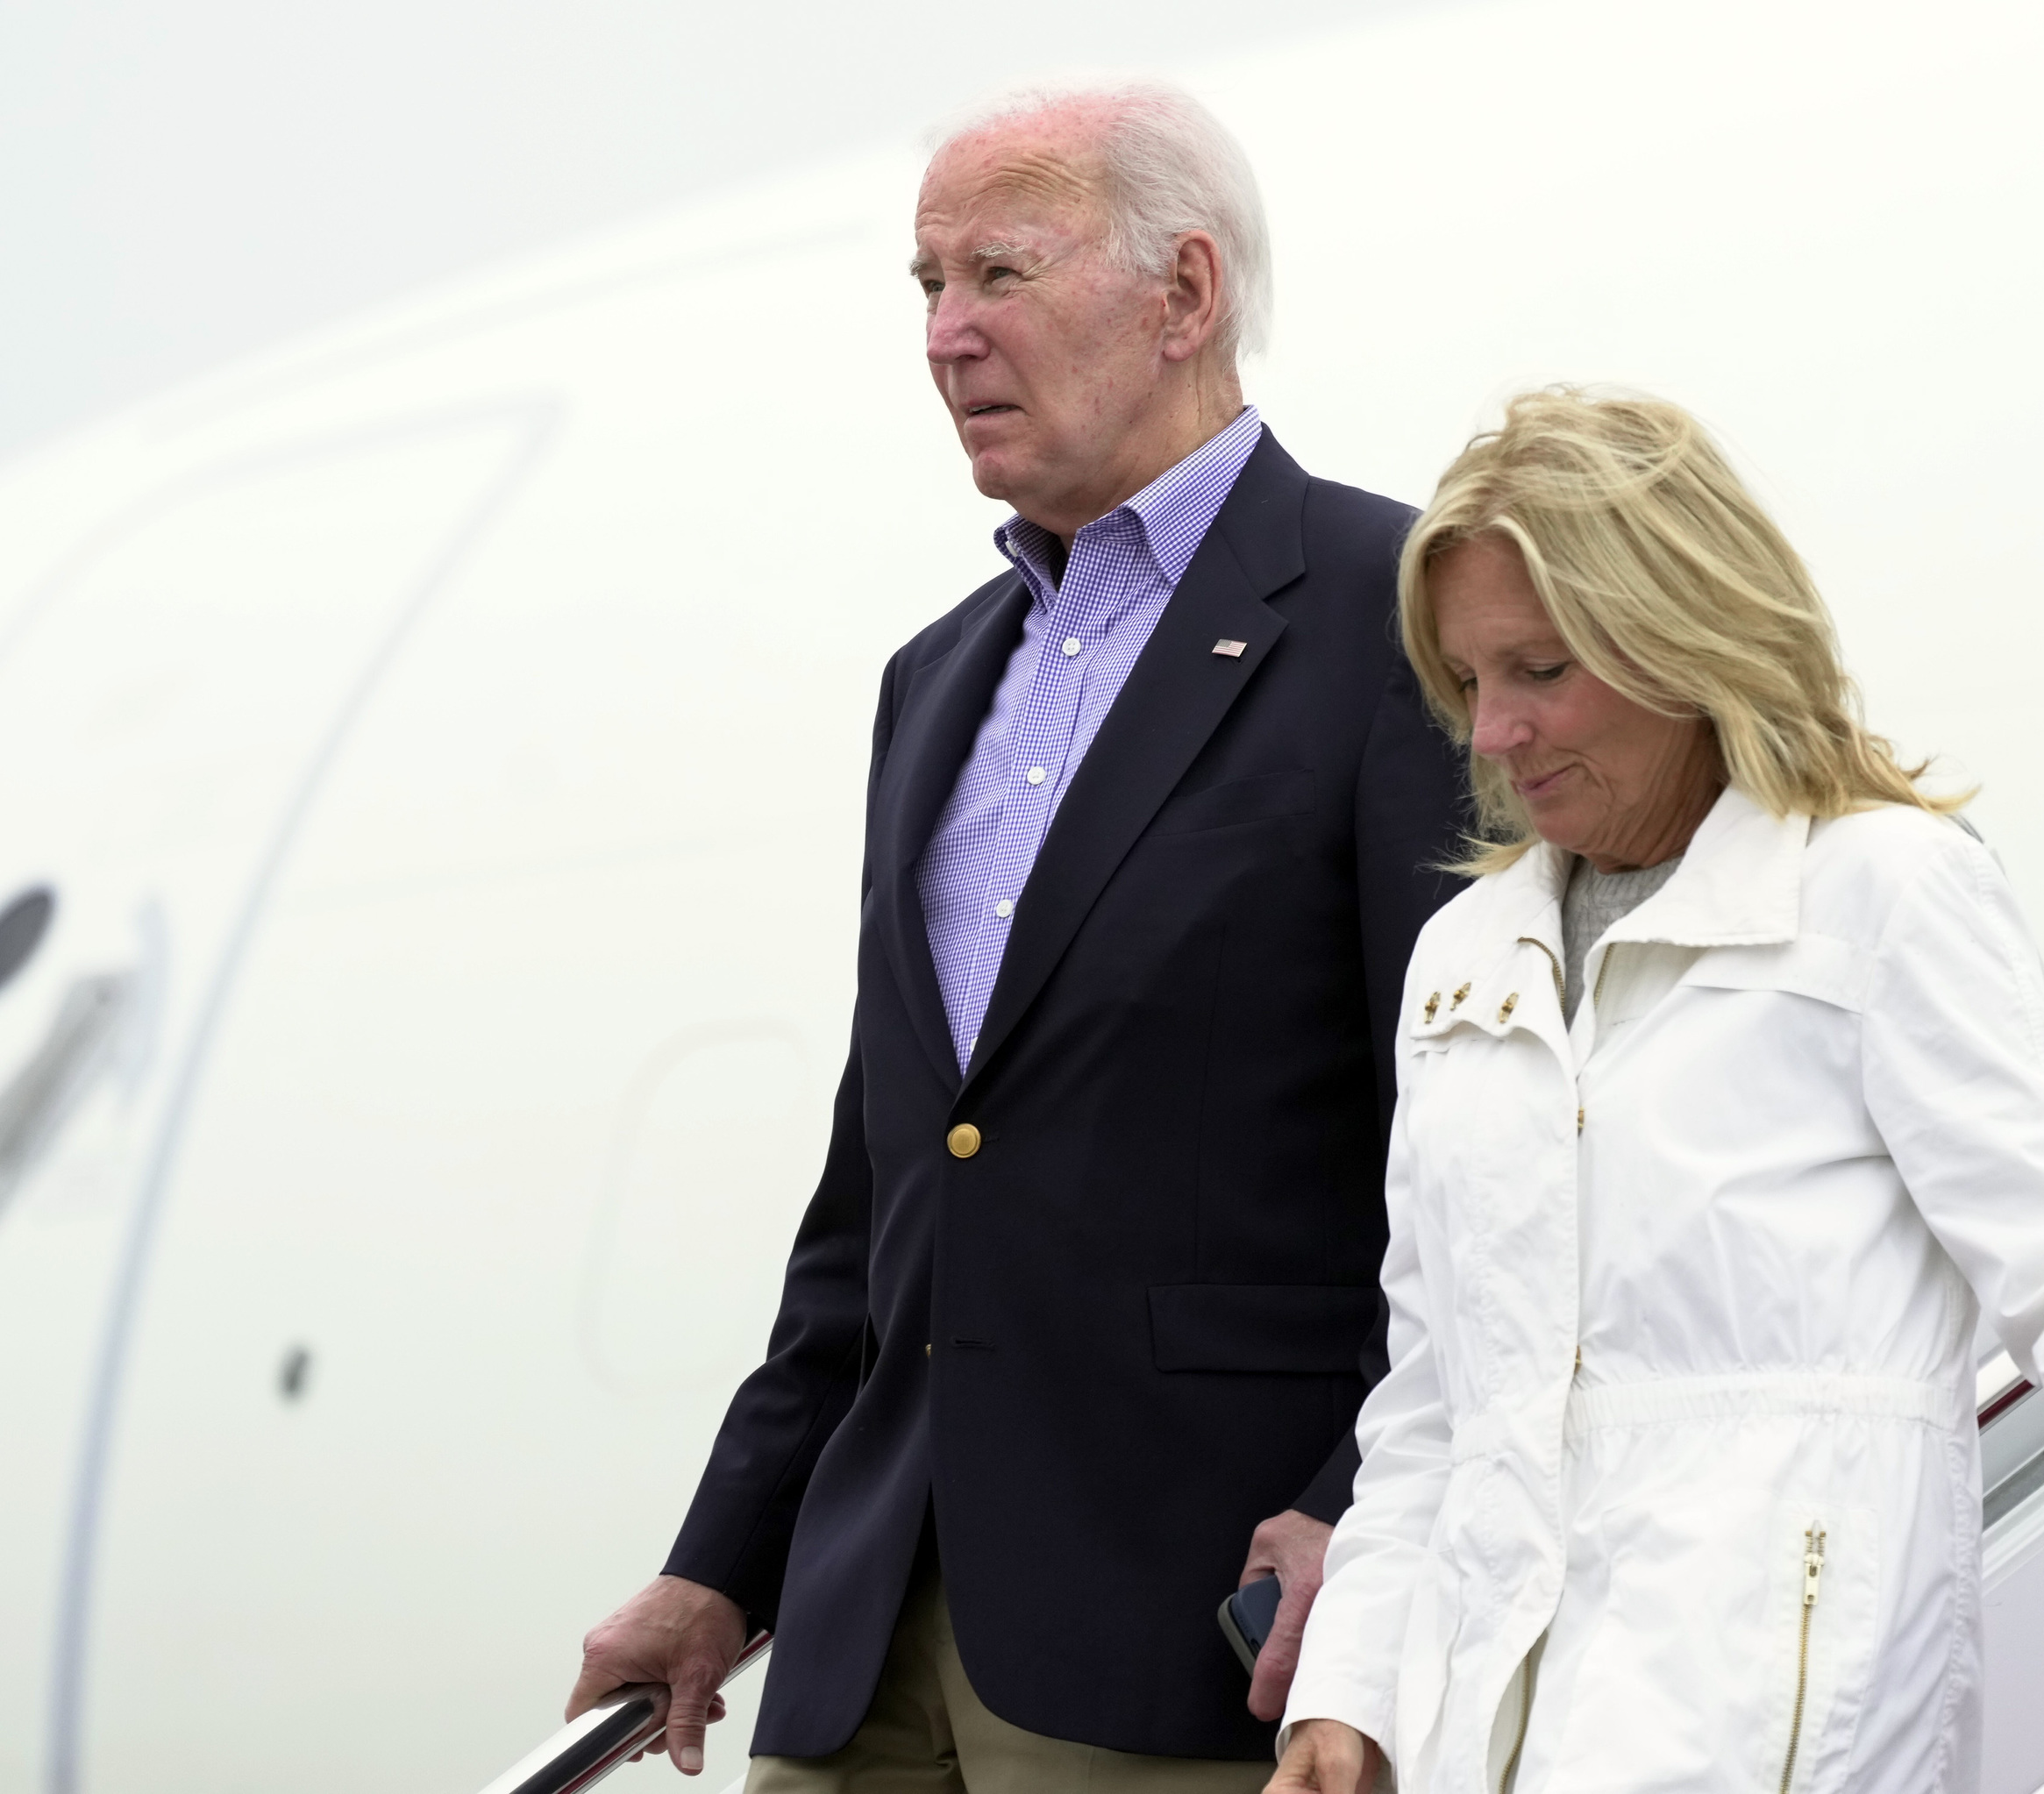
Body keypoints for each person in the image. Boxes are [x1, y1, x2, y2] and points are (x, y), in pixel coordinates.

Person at [564, 81, 1469, 1789]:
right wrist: (723, 1562)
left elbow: (1478, 1161)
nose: (946, 337)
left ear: (1185, 294)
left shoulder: (1399, 619)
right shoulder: (938, 676)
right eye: (925, 287)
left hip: (1194, 1627)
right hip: (869, 1629)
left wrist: (1375, 1518)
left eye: (999, 272)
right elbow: (887, 1185)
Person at [1271, 389, 2044, 1794]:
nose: (1493, 735)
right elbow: (1431, 1406)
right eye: (1468, 683)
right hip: (1490, 1740)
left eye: (1540, 670)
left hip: (1780, 1737)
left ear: (1680, 635)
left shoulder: (1879, 890)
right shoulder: (1466, 959)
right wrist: (1346, 1699)